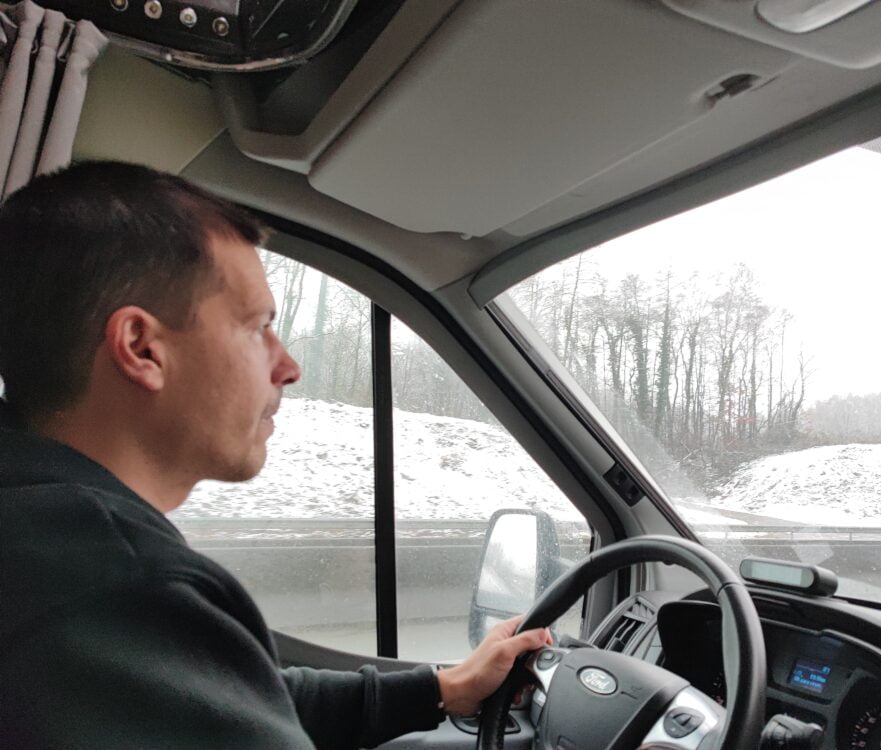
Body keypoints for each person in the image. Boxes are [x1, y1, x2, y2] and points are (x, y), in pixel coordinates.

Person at [0, 161, 550, 748]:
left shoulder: (46, 539)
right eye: (258, 325)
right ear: (143, 348)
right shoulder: (118, 585)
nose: (289, 367)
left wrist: (441, 687)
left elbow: (225, 697)